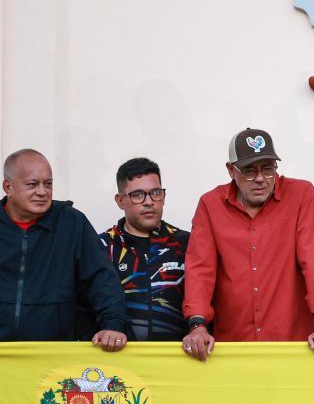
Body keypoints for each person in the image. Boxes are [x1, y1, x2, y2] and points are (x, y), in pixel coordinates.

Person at [182, 128, 314, 361]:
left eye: (267, 169)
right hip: (232, 346)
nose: (260, 179)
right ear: (231, 170)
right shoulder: (210, 204)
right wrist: (197, 325)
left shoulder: (300, 194)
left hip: (295, 345)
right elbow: (199, 268)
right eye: (249, 171)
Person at [0, 148, 127, 349]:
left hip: (56, 352)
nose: (42, 192)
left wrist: (113, 324)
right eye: (32, 184)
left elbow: (101, 278)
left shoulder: (72, 222)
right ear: (9, 186)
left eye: (48, 184)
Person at [78, 157, 190, 341]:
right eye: (138, 195)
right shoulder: (101, 247)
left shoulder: (186, 243)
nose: (149, 202)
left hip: (178, 361)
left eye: (155, 192)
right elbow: (83, 307)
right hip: (117, 362)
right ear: (120, 200)